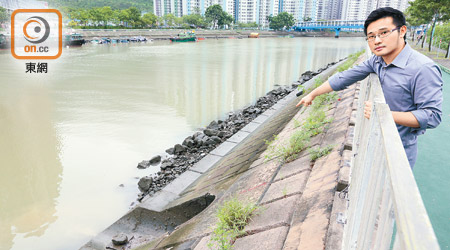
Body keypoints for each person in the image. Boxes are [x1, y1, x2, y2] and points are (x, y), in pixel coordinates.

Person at [296, 7, 443, 169]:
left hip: (398, 152)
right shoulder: (377, 61)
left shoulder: (423, 68)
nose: (377, 41)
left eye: (384, 33)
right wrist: (313, 94)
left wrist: (382, 112)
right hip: (373, 141)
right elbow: (345, 77)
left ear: (402, 31)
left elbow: (432, 116)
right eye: (371, 36)